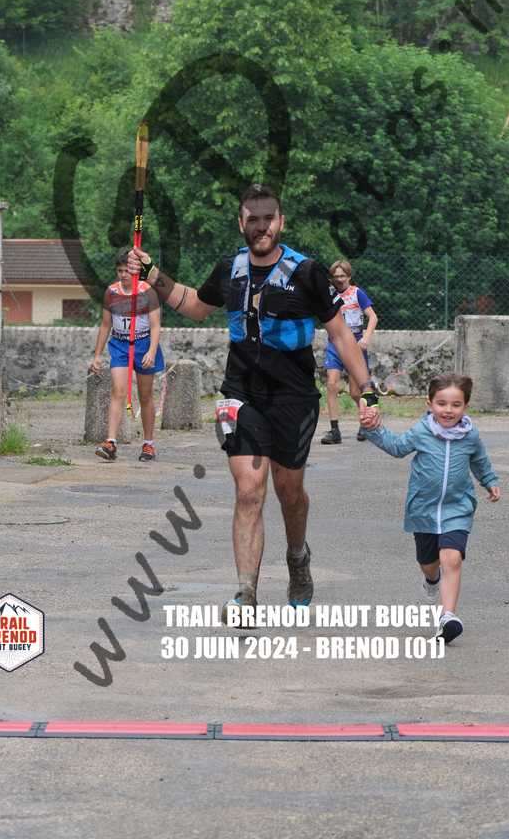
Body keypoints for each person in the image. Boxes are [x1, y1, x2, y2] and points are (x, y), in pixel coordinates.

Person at [126, 184, 380, 625]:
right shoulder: (231, 269)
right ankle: (246, 595)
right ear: (241, 223)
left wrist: (367, 390)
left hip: (294, 397)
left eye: (268, 219)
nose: (261, 227)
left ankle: (297, 556)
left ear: (281, 222)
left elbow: (340, 334)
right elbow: (195, 305)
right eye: (252, 220)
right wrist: (152, 273)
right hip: (241, 393)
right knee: (248, 491)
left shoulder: (307, 272)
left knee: (289, 493)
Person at [362, 372, 500, 644]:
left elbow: (480, 460)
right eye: (441, 403)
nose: (448, 410)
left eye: (456, 404)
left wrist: (490, 481)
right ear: (430, 403)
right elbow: (397, 447)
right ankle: (432, 580)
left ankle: (447, 617)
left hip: (457, 508)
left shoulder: (470, 435)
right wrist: (373, 429)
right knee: (428, 564)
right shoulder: (422, 431)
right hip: (423, 510)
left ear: (466, 406)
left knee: (452, 558)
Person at [89, 248, 165, 463]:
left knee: (145, 395)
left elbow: (156, 326)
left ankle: (148, 444)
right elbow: (105, 325)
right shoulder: (111, 292)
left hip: (143, 344)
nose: (123, 275)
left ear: (136, 271)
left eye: (127, 271)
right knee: (118, 391)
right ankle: (110, 442)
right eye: (120, 271)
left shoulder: (147, 292)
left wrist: (151, 351)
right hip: (120, 345)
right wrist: (97, 355)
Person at [322, 260, 378, 445]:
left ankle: (365, 421)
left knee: (355, 392)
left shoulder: (356, 293)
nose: (339, 280)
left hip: (354, 344)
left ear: (349, 277)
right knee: (332, 384)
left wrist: (365, 338)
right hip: (334, 343)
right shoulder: (328, 294)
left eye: (342, 276)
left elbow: (373, 317)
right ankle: (334, 430)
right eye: (335, 276)